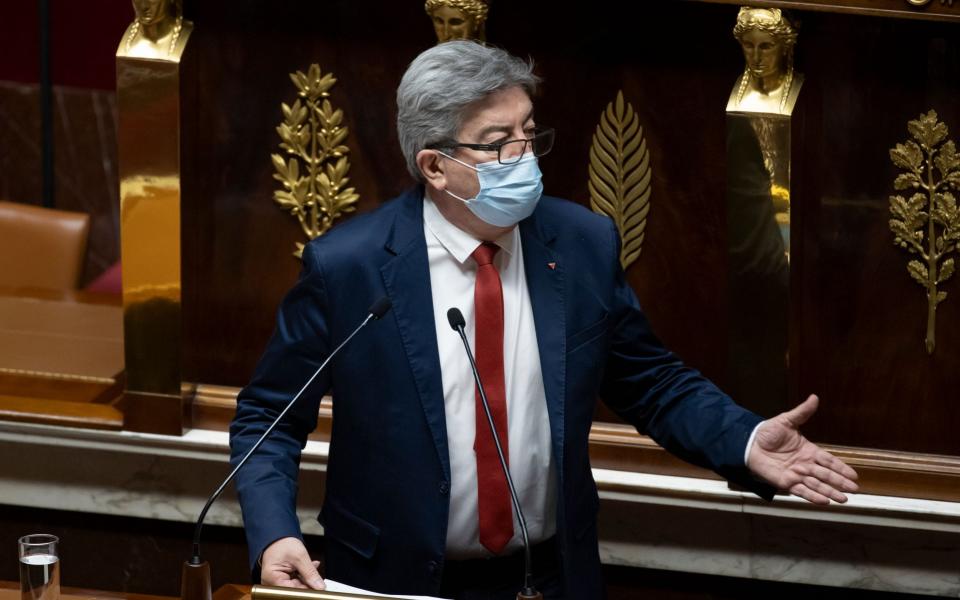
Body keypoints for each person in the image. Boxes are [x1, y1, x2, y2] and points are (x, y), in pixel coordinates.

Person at [229, 41, 858, 600]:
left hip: (551, 577)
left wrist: (745, 441)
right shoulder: (350, 269)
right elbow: (268, 418)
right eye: (499, 143)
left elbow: (651, 382)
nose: (524, 155)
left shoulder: (580, 244)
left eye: (529, 133)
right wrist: (274, 532)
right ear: (434, 166)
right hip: (390, 581)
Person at [727, 7, 803, 115]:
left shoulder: (802, 91)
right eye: (748, 46)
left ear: (786, 47)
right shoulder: (731, 88)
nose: (756, 57)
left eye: (766, 47)